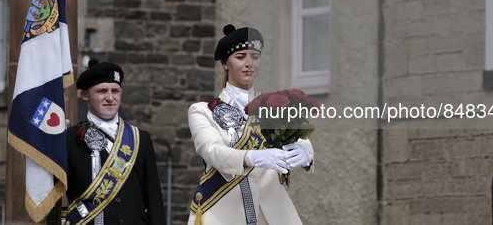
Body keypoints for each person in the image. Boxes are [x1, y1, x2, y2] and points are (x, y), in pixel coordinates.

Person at [188, 24, 314, 225]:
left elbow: (300, 138)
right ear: (225, 64)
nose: (249, 63)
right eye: (240, 57)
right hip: (224, 213)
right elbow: (213, 151)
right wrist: (253, 156)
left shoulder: (276, 105)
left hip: (273, 215)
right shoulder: (203, 111)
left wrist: (306, 152)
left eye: (255, 56)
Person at [65, 59, 166, 225]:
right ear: (85, 95)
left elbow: (153, 198)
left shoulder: (140, 138)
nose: (110, 98)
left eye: (115, 91)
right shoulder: (68, 139)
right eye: (102, 91)